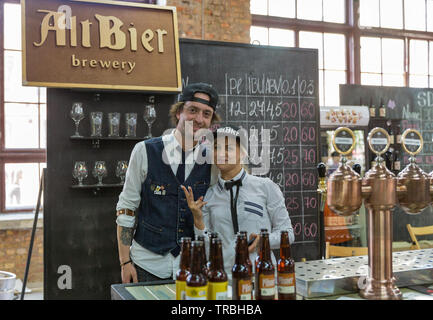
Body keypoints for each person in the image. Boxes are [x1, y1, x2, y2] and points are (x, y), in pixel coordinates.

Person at [116, 83, 220, 283]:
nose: (199, 119)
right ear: (179, 111)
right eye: (193, 110)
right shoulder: (145, 150)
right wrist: (124, 261)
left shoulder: (212, 161)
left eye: (206, 114)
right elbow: (127, 208)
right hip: (146, 264)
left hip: (193, 267)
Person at [182, 126, 295, 280]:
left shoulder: (266, 186)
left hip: (262, 277)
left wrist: (265, 240)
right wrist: (198, 219)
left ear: (242, 153)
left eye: (228, 148)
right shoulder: (209, 195)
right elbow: (207, 250)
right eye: (217, 148)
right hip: (224, 280)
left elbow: (288, 234)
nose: (221, 153)